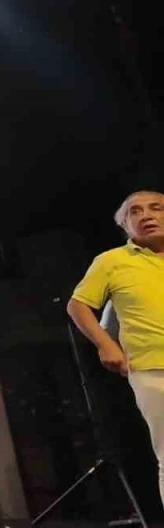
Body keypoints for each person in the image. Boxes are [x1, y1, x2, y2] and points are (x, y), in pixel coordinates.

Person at [68, 190, 164, 503]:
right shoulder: (112, 261)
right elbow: (77, 305)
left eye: (156, 208)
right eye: (135, 211)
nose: (146, 215)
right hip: (152, 367)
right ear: (125, 224)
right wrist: (105, 344)